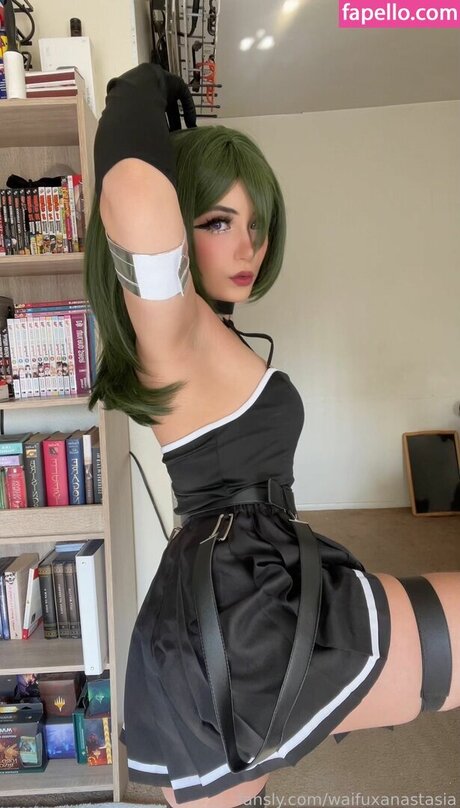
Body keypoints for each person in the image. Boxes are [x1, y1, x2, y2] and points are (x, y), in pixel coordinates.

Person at [85, 64, 459, 808]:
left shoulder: (203, 332)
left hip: (250, 576)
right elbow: (133, 192)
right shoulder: (173, 327)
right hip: (240, 605)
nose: (247, 246)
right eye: (218, 222)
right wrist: (141, 89)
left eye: (254, 225)